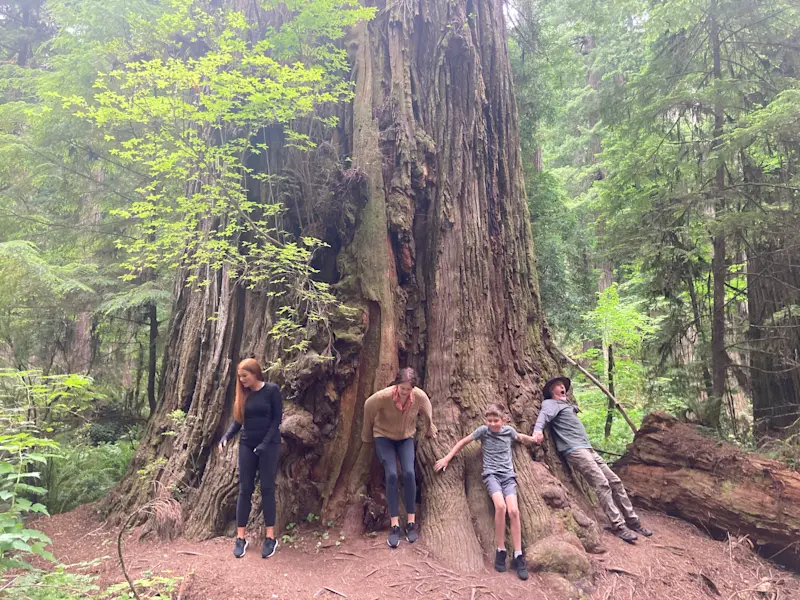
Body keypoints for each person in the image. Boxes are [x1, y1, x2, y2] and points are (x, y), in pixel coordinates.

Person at [532, 376, 652, 543]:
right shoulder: (551, 404)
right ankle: (619, 525)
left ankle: (632, 521)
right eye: (558, 386)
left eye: (563, 386)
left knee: (615, 482)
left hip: (588, 449)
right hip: (575, 450)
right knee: (602, 484)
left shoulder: (566, 405)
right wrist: (537, 431)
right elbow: (543, 416)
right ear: (552, 391)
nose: (562, 388)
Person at [434, 403, 535, 581]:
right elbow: (464, 442)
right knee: (501, 507)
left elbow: (520, 437)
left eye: (496, 420)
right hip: (491, 476)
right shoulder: (483, 431)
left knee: (514, 511)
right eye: (489, 420)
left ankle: (518, 555)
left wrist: (534, 439)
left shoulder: (508, 431)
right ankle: (501, 550)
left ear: (503, 420)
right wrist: (447, 458)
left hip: (508, 476)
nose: (492, 424)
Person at [361, 367, 437, 548]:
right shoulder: (383, 397)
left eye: (408, 390)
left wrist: (429, 427)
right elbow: (368, 407)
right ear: (397, 385)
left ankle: (411, 522)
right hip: (383, 436)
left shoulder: (419, 396)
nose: (405, 392)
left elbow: (427, 409)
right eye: (402, 389)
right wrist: (367, 434)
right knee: (392, 475)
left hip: (405, 437)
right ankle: (394, 525)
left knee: (409, 473)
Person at [218, 358, 283, 559]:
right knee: (245, 489)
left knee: (266, 489)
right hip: (247, 445)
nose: (242, 380)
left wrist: (264, 445)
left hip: (269, 445)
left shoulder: (271, 391)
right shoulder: (244, 395)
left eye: (245, 376)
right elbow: (238, 421)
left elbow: (276, 420)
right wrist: (226, 436)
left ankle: (270, 537)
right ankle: (240, 537)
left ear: (255, 373)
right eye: (240, 377)